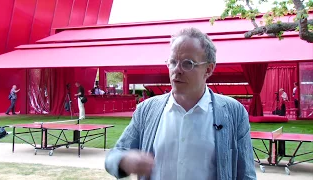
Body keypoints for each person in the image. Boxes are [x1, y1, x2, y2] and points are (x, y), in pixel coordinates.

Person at [105, 27, 256, 180]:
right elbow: (113, 156)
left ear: (208, 69)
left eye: (187, 64)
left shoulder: (233, 112)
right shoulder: (147, 110)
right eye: (173, 62)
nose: (177, 70)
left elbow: (246, 174)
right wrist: (124, 161)